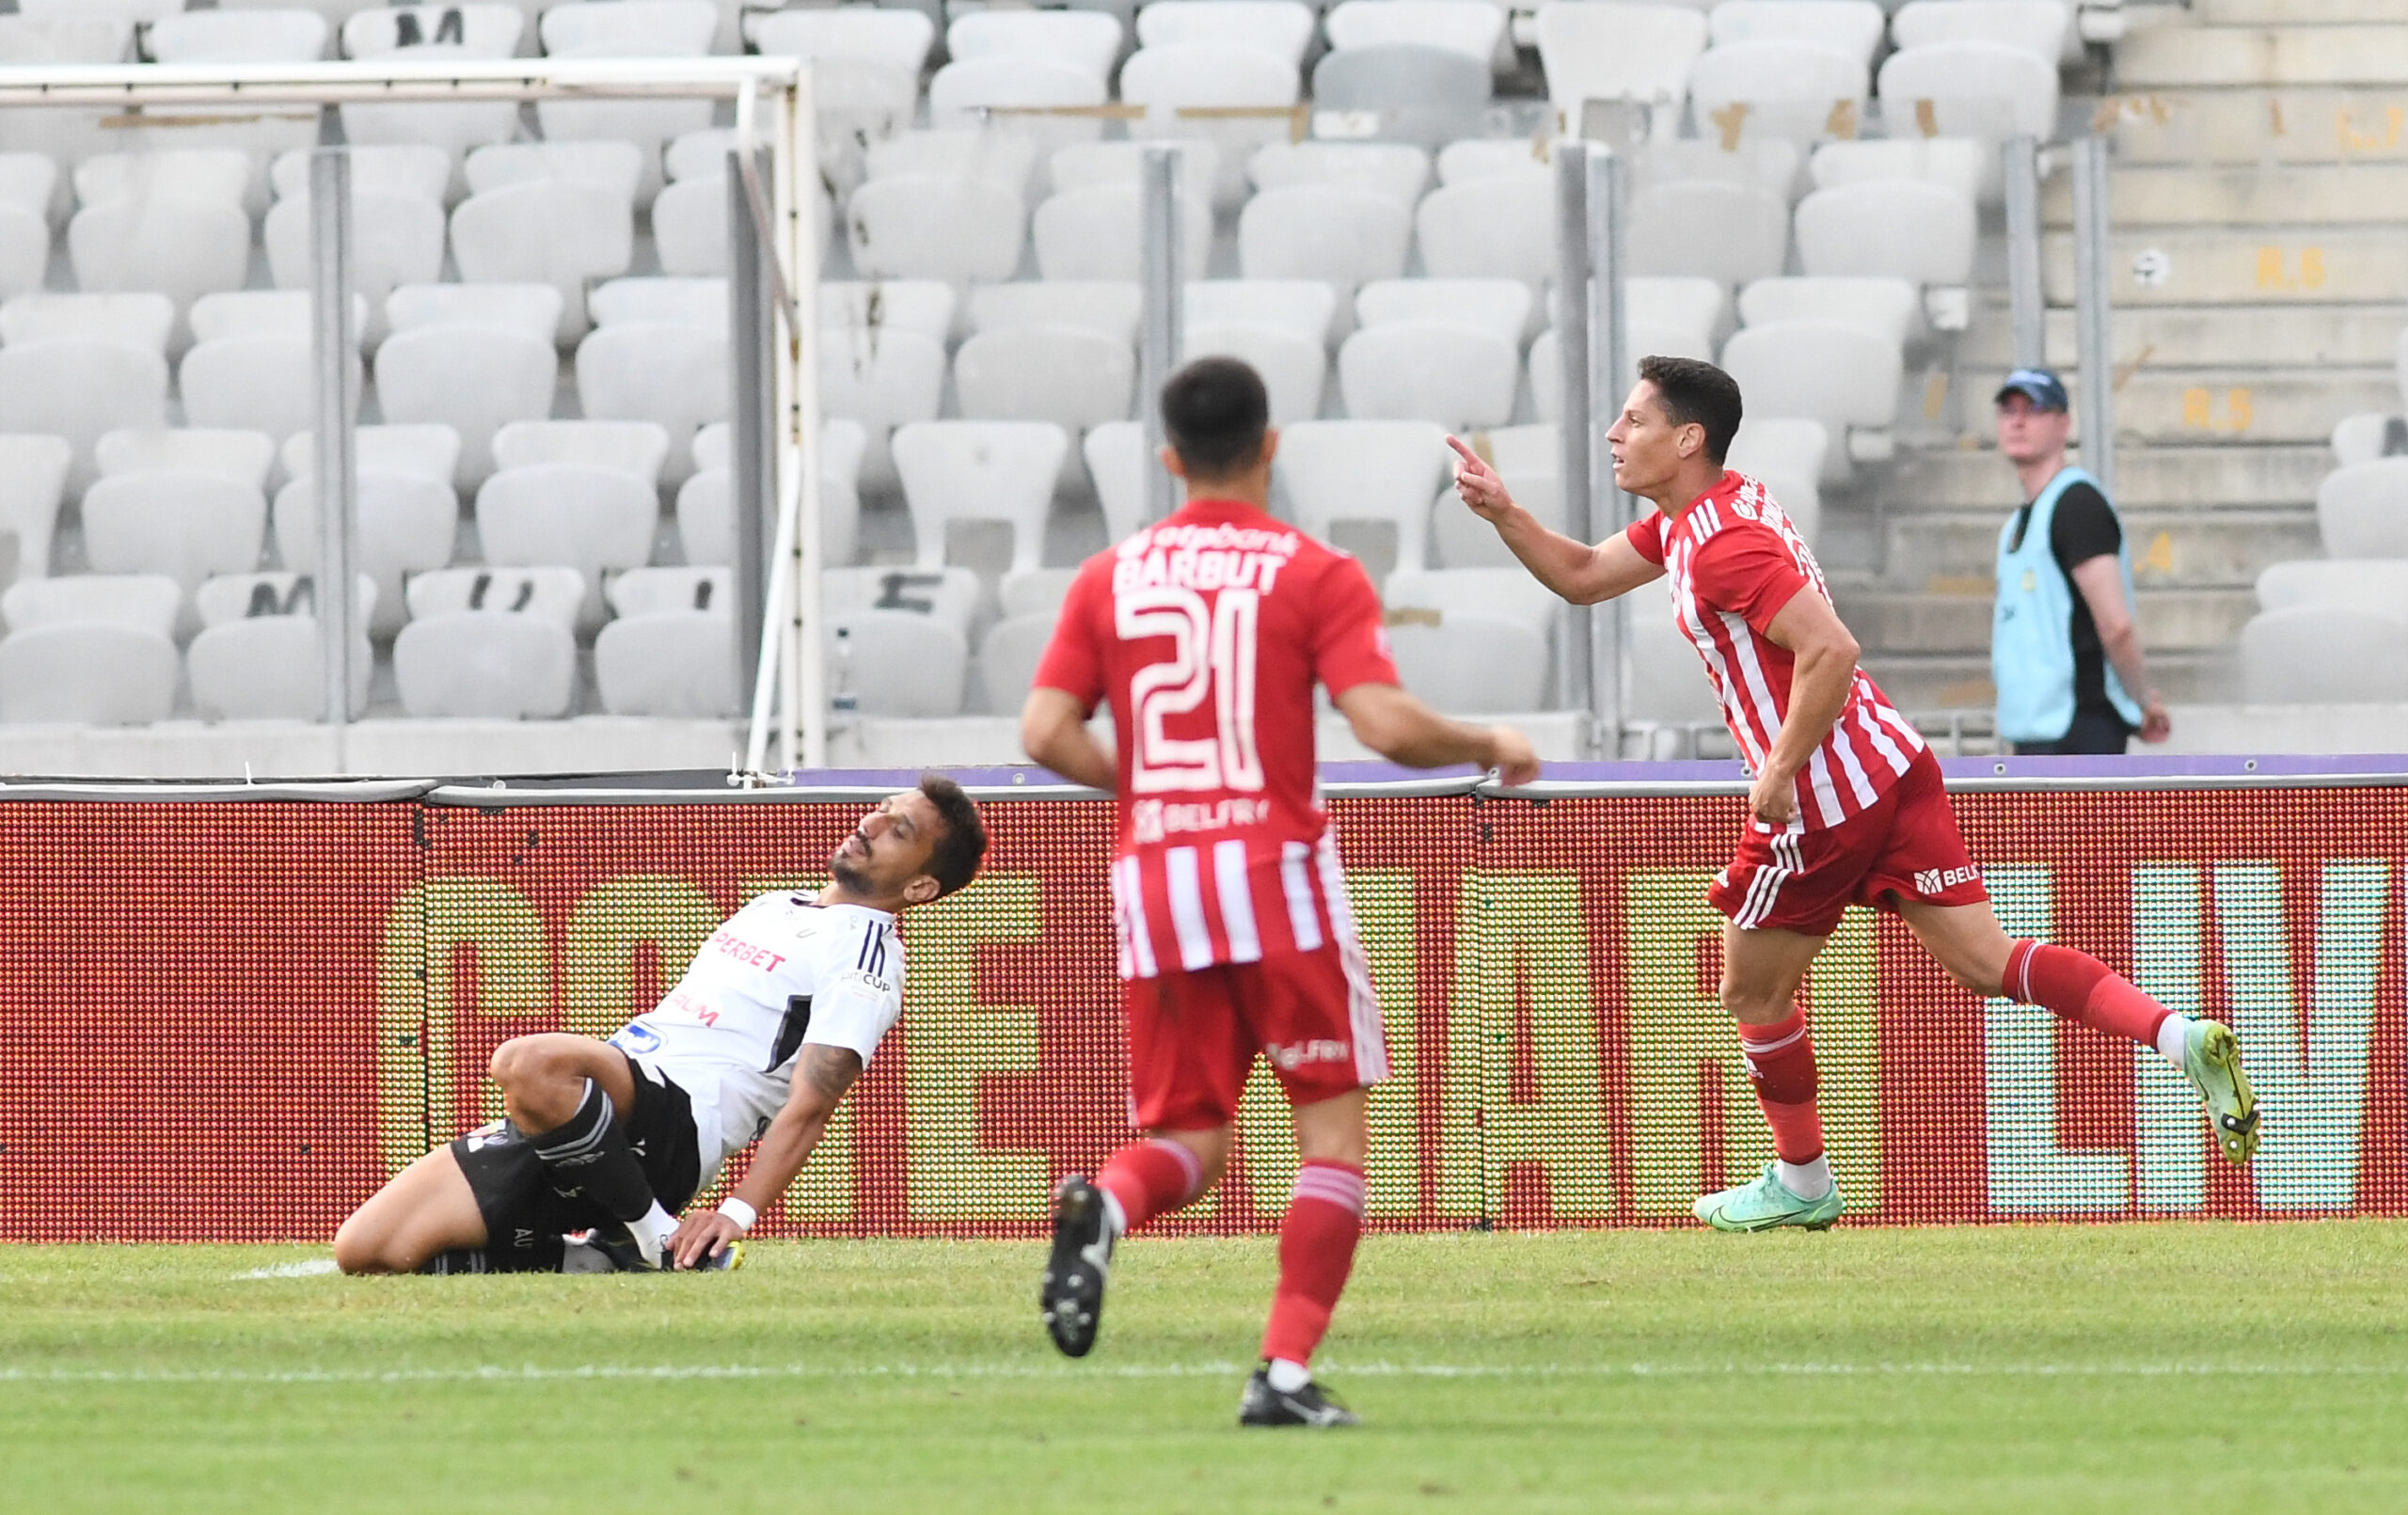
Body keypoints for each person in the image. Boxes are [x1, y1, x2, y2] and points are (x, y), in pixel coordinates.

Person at [1449, 355, 2257, 1234]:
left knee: (1751, 994)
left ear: (1687, 440)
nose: (1614, 433)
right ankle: (2180, 1036)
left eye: (1634, 420)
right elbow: (1581, 575)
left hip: (1824, 798)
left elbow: (1832, 648)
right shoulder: (1703, 515)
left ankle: (1803, 1180)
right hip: (1891, 764)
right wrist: (1505, 513)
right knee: (1987, 962)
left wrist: (1779, 768)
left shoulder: (1720, 545)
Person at [1022, 355, 1541, 1428]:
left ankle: (1106, 1205)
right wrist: (1489, 740)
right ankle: (1286, 1375)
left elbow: (1043, 731)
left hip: (1159, 881)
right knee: (1332, 1139)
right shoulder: (1312, 571)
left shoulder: (1110, 576)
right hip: (1276, 881)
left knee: (1190, 1138)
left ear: (1168, 458)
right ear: (1270, 446)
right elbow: (1383, 723)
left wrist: (1159, 785)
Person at [333, 778, 988, 1275]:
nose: (871, 823)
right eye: (881, 808)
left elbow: (815, 1100)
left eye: (899, 830)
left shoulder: (865, 957)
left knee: (527, 1062)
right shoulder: (776, 904)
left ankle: (655, 1235)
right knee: (367, 1250)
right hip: (604, 1123)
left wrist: (736, 1211)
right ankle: (596, 1258)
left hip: (678, 1124)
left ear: (921, 887)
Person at [1991, 367, 2172, 755]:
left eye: (2034, 409)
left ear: (2064, 424)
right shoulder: (2018, 524)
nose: (2018, 421)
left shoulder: (2077, 505)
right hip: (2037, 729)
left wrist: (2142, 701)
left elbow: (2116, 626)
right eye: (2008, 410)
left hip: (2079, 727)